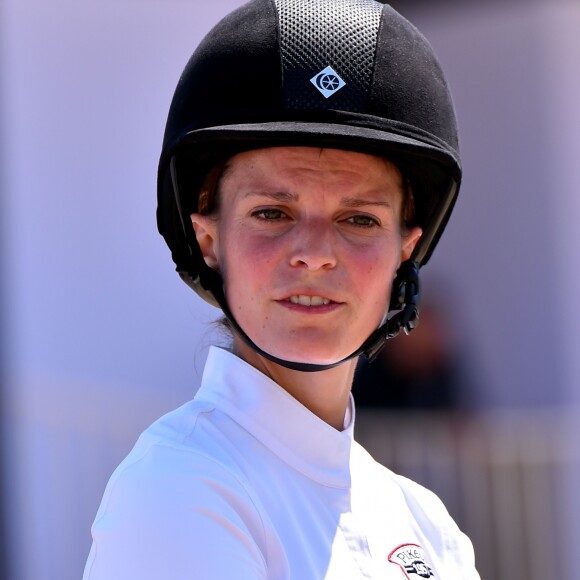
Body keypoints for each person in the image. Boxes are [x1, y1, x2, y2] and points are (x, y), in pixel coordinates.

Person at [83, 0, 480, 578]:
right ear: (209, 240)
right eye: (272, 212)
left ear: (406, 250)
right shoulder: (178, 487)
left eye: (359, 219)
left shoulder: (428, 526)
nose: (315, 253)